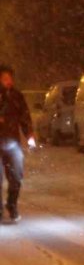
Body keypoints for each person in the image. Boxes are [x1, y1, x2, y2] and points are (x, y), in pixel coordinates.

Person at [0, 65, 36, 223]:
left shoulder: (17, 96)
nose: (8, 81)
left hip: (12, 142)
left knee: (16, 176)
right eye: (5, 78)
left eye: (10, 78)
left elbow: (24, 116)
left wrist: (29, 135)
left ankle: (12, 205)